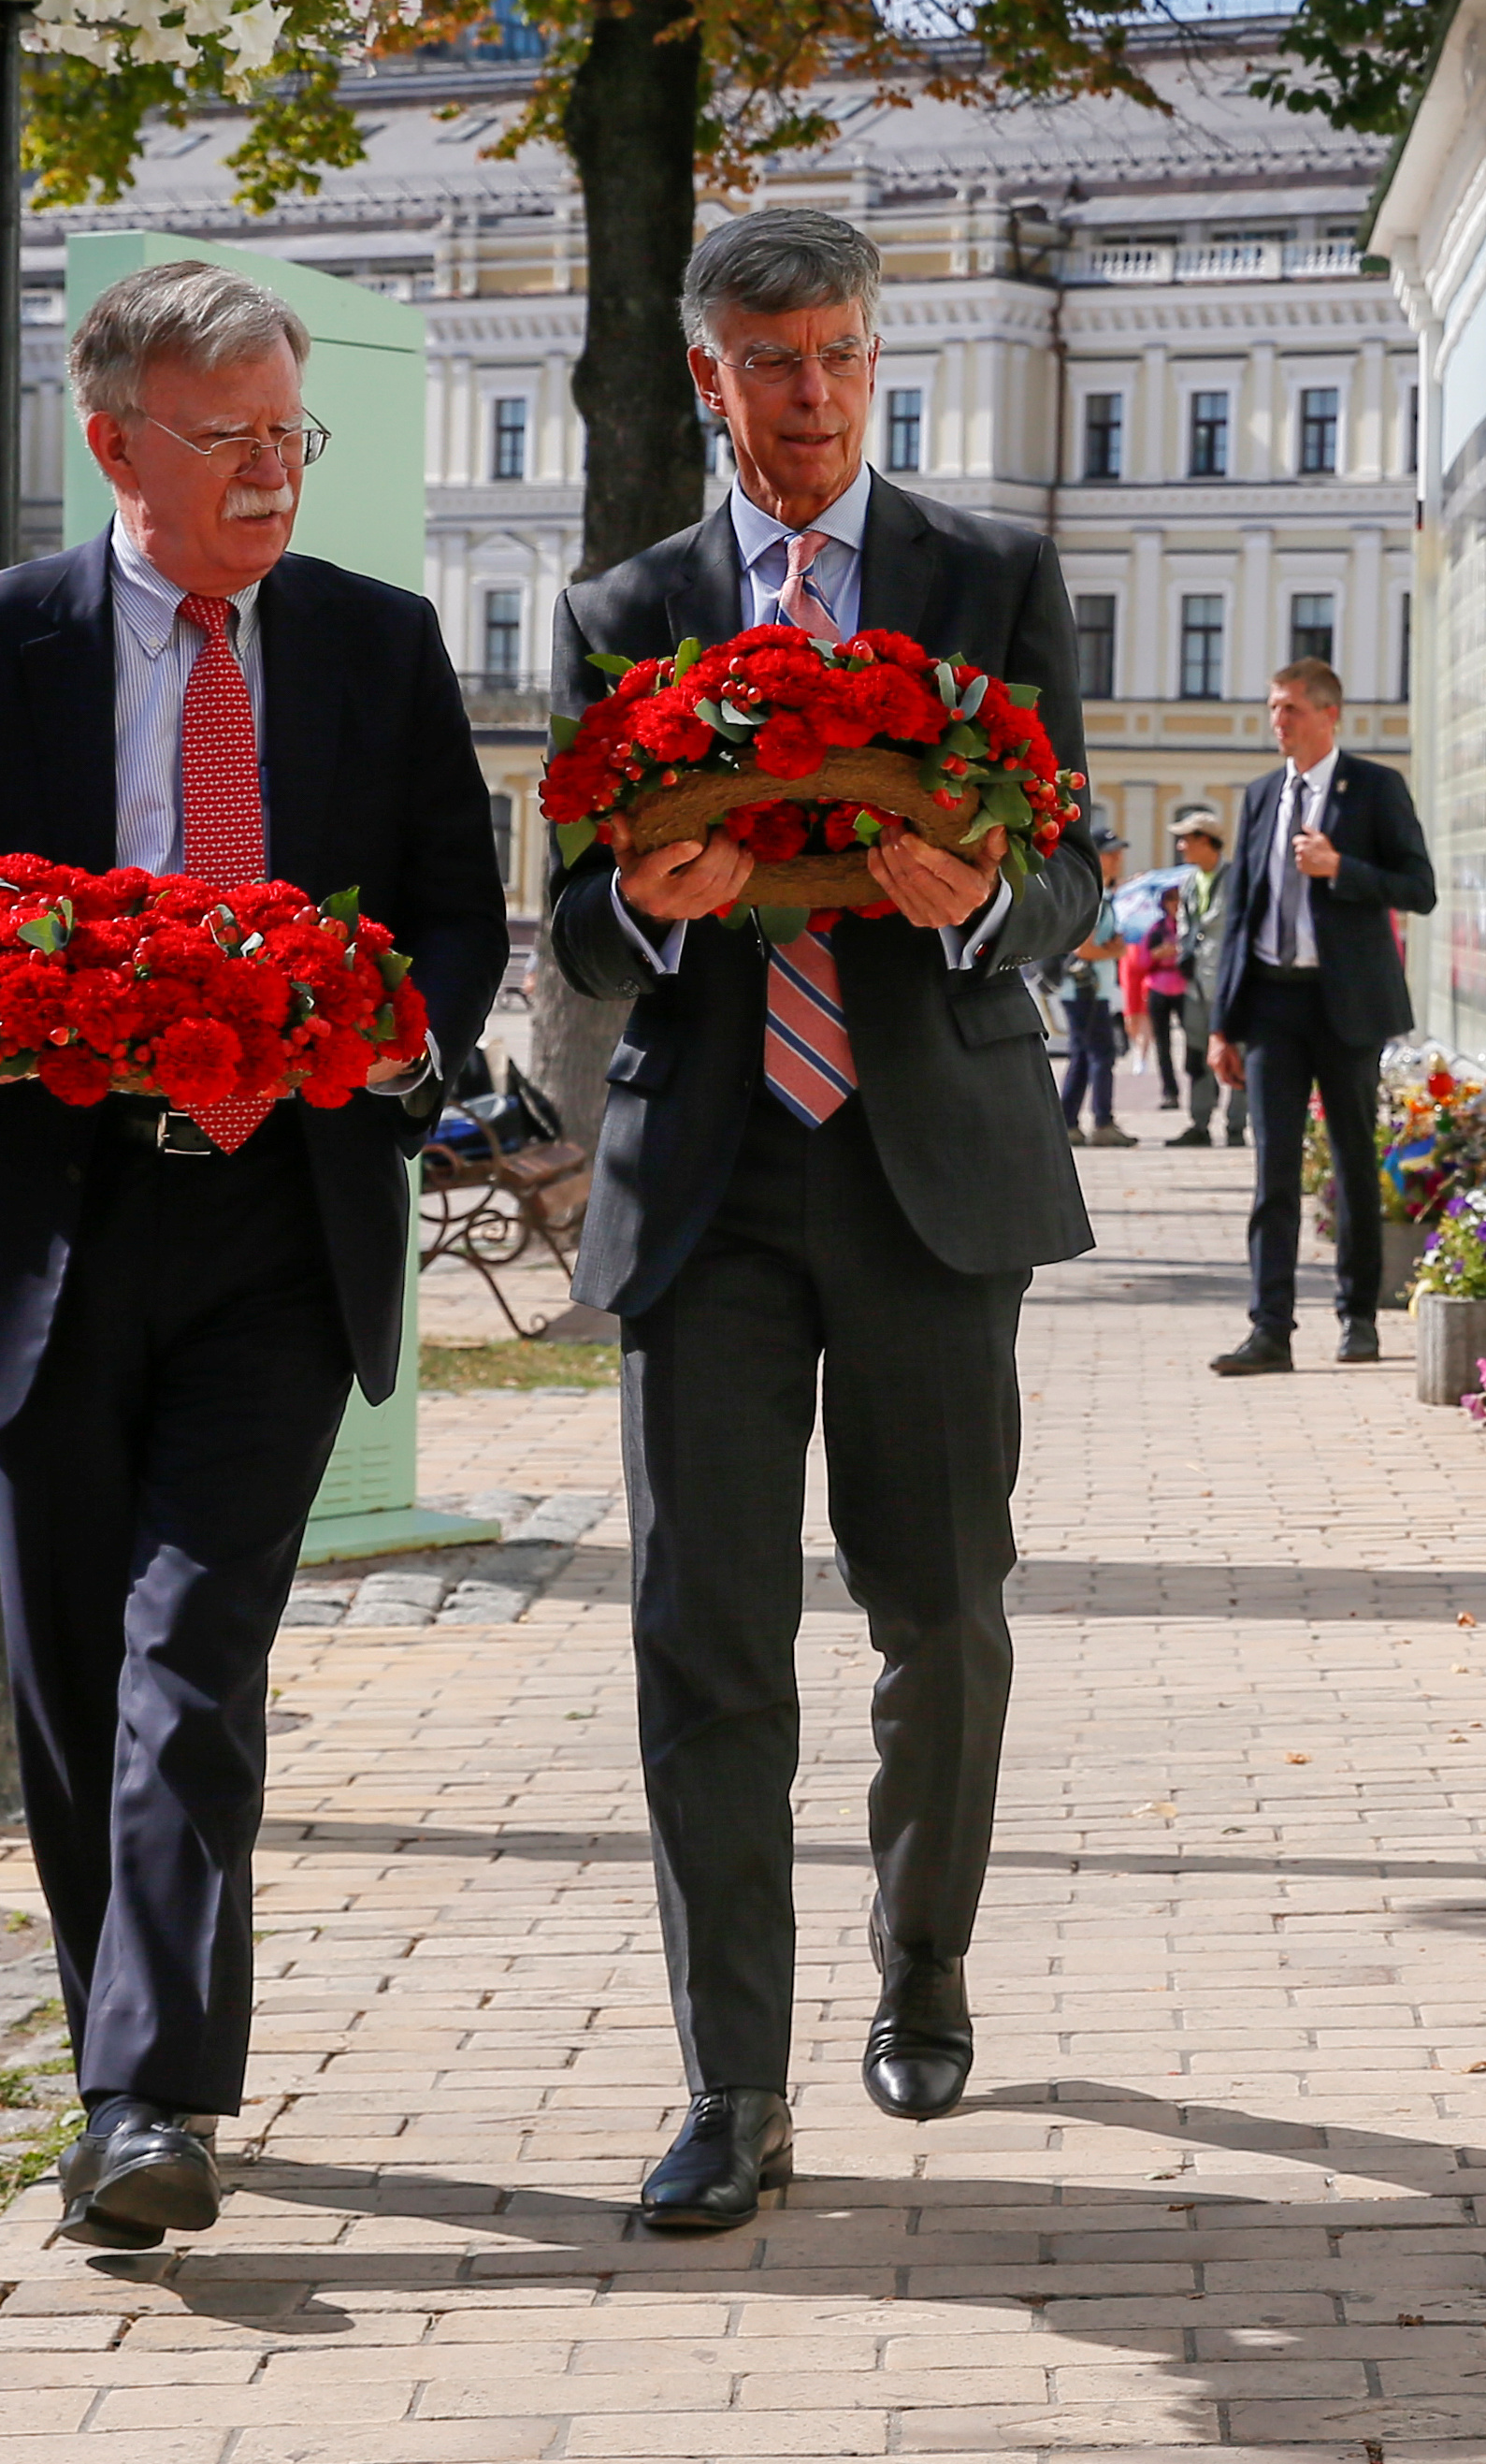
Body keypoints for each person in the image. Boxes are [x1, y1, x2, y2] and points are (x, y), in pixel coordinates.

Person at [0, 259, 507, 2251]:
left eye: (293, 432)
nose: (275, 471)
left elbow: (457, 915)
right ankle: (118, 2044)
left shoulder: (376, 647)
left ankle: (145, 2095)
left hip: (277, 1224)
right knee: (68, 1683)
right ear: (115, 439)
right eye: (232, 437)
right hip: (42, 1221)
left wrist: (399, 1025)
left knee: (191, 1654)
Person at [542, 210, 1104, 2216]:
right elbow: (574, 914)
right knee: (705, 1638)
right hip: (702, 1183)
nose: (808, 398)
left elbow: (1074, 868)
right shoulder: (626, 607)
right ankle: (730, 2085)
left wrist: (984, 908)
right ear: (708, 375)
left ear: (877, 365)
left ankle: (922, 1967)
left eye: (841, 359)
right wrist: (641, 912)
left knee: (940, 1613)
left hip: (925, 1169)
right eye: (771, 363)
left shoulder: (986, 576)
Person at [1207, 659, 1436, 1374]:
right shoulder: (1259, 796)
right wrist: (1223, 1023)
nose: (1278, 721)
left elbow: (1418, 888)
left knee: (1350, 1162)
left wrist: (1342, 868)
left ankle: (1357, 1316)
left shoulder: (1372, 787)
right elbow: (1236, 913)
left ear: (1329, 714)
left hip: (1345, 1004)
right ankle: (1269, 1327)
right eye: (1273, 708)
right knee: (1271, 1168)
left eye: (1291, 709)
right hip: (1272, 1000)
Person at [1050, 832, 1134, 1146]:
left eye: (1118, 853)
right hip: (1086, 988)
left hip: (1088, 988)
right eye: (1110, 854)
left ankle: (1069, 1121)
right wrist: (1116, 952)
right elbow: (1082, 948)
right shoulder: (1092, 897)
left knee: (1085, 1056)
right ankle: (1102, 1121)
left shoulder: (1098, 894)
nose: (1116, 860)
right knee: (1100, 1054)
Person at [1158, 810, 1226, 1142]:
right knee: (1196, 1055)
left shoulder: (1235, 878)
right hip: (1196, 983)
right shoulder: (1188, 883)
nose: (1181, 845)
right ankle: (1200, 1124)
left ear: (1205, 840)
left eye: (1187, 839)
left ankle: (1237, 1125)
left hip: (1228, 983)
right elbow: (1186, 926)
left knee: (1235, 1052)